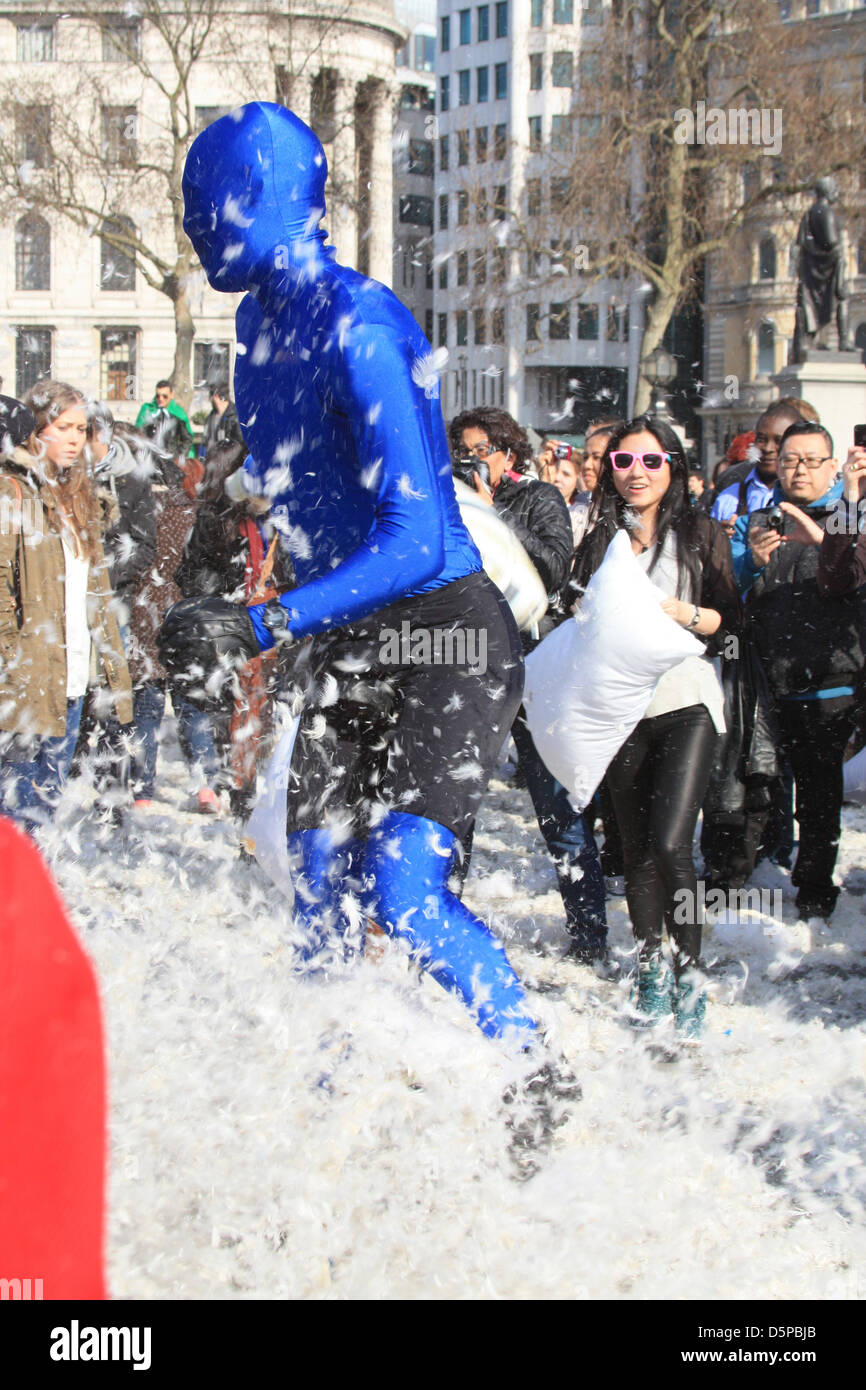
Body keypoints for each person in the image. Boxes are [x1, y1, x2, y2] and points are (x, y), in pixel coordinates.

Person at [180, 102, 543, 1053]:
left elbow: (418, 537)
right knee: (315, 887)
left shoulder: (362, 323)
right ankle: (332, 1110)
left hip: (446, 634)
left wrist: (264, 625)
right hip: (347, 642)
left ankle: (536, 1071)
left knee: (403, 889)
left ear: (257, 197)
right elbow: (301, 515)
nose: (189, 225)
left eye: (199, 202)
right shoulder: (254, 332)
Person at [572, 416, 740, 1032]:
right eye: (622, 463)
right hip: (618, 707)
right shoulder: (599, 538)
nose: (635, 473)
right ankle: (650, 967)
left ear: (673, 467)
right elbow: (575, 618)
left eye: (650, 461)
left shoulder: (698, 534)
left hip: (686, 702)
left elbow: (732, 621)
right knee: (635, 849)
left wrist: (684, 612)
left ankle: (691, 974)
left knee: (671, 843)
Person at [448, 406, 608, 964]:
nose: (469, 463)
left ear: (508, 455)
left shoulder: (537, 500)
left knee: (557, 808)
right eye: (459, 453)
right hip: (465, 664)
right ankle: (442, 923)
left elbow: (554, 568)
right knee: (453, 803)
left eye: (479, 452)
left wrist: (493, 516)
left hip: (532, 663)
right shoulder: (447, 503)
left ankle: (589, 935)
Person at [730, 420, 866, 920]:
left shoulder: (849, 516)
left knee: (818, 795)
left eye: (812, 460)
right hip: (766, 679)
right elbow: (731, 587)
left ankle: (814, 890)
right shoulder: (759, 517)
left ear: (832, 466)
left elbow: (847, 586)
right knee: (760, 786)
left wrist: (829, 536)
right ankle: (761, 871)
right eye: (790, 460)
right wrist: (751, 565)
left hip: (827, 680)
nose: (800, 470)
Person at [0, 382, 132, 829]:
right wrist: (12, 656)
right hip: (25, 685)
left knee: (46, 809)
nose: (75, 438)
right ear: (37, 431)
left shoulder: (81, 501)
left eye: (81, 428)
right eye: (63, 427)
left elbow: (97, 597)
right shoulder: (12, 492)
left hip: (71, 681)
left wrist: (116, 673)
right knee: (16, 816)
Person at [135, 380, 195, 462]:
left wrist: (179, 457)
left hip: (171, 460)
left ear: (171, 395)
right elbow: (139, 434)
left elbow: (187, 439)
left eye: (164, 396)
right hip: (151, 460)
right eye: (158, 396)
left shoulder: (178, 414)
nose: (160, 399)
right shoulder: (148, 410)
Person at [199, 382, 245, 458]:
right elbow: (205, 440)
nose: (209, 400)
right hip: (213, 461)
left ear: (216, 397)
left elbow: (240, 444)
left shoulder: (235, 417)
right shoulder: (211, 417)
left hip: (229, 463)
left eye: (210, 397)